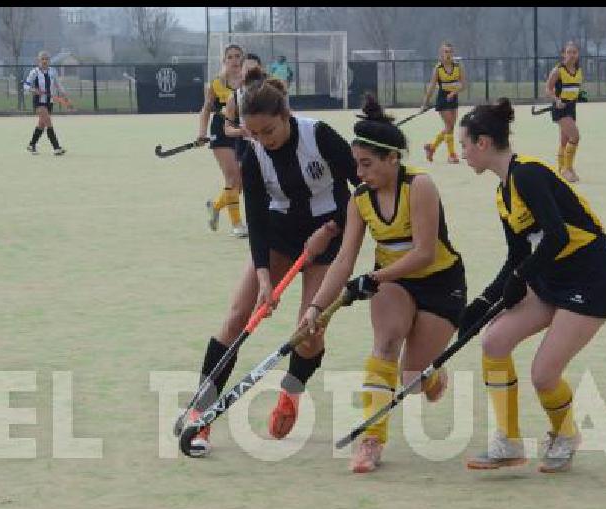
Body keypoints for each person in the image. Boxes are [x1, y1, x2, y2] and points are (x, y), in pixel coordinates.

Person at [187, 71, 361, 457]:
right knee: (236, 316)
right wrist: (265, 278)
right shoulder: (254, 154)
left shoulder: (320, 136)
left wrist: (335, 229)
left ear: (285, 115)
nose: (264, 141)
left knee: (309, 329)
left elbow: (359, 187)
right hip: (281, 237)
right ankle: (202, 414)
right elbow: (258, 220)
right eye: (254, 134)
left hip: (329, 235)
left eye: (268, 131)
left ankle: (291, 393)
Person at [457, 98, 606, 473]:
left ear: (483, 143)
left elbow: (558, 235)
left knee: (544, 373)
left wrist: (521, 279)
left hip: (591, 276)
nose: (463, 153)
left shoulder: (528, 174)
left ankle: (565, 435)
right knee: (493, 340)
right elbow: (517, 257)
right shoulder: (503, 194)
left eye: (465, 145)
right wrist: (482, 302)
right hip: (552, 274)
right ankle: (508, 442)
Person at [300, 95, 467, 473]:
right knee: (385, 343)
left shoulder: (420, 186)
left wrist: (373, 278)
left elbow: (424, 253)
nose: (359, 173)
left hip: (441, 283)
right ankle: (371, 441)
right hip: (395, 284)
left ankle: (430, 375)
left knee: (413, 379)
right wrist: (316, 309)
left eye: (367, 164)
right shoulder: (359, 200)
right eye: (357, 164)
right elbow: (343, 260)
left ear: (393, 158)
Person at [198, 44, 248, 238]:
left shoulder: (248, 83)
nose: (234, 60)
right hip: (221, 133)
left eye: (238, 56)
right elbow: (205, 111)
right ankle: (237, 225)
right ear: (224, 61)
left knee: (241, 182)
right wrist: (202, 133)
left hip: (242, 132)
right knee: (233, 178)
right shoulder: (216, 84)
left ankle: (216, 206)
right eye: (230, 57)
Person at [421, 42, 466, 164]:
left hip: (453, 98)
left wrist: (454, 92)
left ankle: (431, 147)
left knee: (449, 127)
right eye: (446, 52)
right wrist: (425, 103)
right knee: (449, 126)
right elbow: (431, 86)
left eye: (450, 52)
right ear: (441, 54)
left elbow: (463, 85)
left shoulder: (458, 66)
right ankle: (452, 155)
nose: (448, 54)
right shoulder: (438, 68)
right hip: (443, 99)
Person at [545, 41, 583, 182]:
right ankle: (568, 169)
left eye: (574, 52)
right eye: (569, 52)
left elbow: (575, 88)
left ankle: (562, 169)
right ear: (563, 54)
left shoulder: (579, 70)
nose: (572, 55)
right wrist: (556, 100)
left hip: (571, 108)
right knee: (575, 137)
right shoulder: (558, 71)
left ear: (578, 54)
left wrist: (581, 95)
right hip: (560, 109)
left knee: (564, 141)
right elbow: (548, 89)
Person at [23, 51, 67, 156]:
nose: (44, 61)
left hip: (49, 102)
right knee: (48, 122)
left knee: (41, 125)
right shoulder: (34, 72)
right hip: (39, 102)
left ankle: (31, 145)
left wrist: (63, 93)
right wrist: (34, 90)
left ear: (49, 61)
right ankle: (56, 147)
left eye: (46, 59)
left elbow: (57, 84)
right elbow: (26, 85)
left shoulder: (53, 71)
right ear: (38, 61)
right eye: (42, 59)